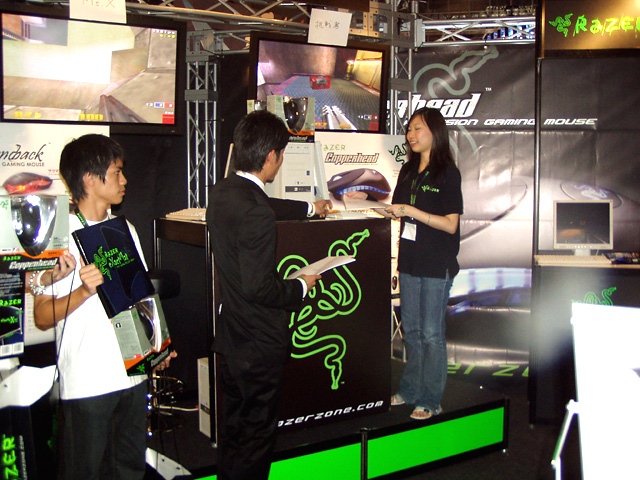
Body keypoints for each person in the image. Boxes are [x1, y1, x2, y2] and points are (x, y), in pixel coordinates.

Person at [31, 133, 174, 479]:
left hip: (132, 375)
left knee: (129, 470)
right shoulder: (56, 235)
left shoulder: (125, 229)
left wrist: (159, 346)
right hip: (87, 382)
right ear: (90, 179)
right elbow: (41, 316)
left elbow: (140, 296)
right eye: (116, 172)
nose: (124, 180)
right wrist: (83, 292)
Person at [206, 110, 329, 480]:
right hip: (258, 344)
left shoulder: (223, 192)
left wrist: (309, 208)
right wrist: (301, 285)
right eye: (282, 153)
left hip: (232, 338)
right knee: (257, 440)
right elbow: (259, 287)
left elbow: (263, 205)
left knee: (233, 432)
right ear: (272, 155)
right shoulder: (255, 211)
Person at [384, 107, 463, 420]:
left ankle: (431, 399)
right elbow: (400, 207)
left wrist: (411, 211)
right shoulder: (408, 170)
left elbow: (451, 225)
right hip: (410, 261)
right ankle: (410, 390)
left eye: (417, 129)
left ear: (435, 132)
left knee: (431, 334)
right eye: (409, 129)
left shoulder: (448, 173)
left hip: (436, 264)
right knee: (412, 332)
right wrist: (385, 209)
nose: (410, 135)